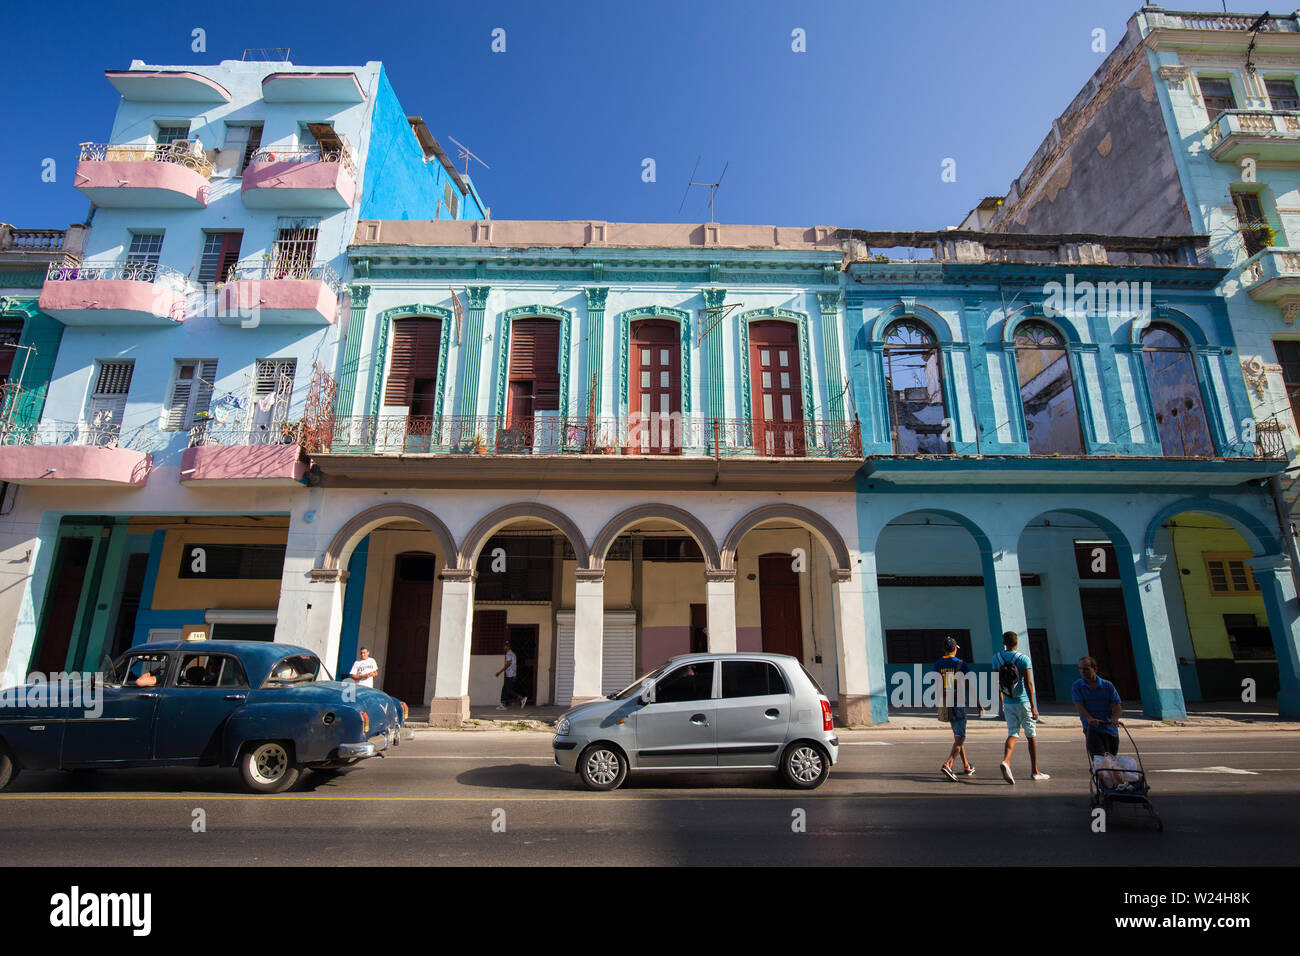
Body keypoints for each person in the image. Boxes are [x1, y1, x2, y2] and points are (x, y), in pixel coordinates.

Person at [994, 630, 1049, 784]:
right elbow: (1029, 684)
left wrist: (1001, 700)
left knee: (1013, 732)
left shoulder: (996, 658)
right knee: (1031, 735)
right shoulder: (1023, 659)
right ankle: (1035, 770)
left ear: (1004, 643)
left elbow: (995, 682)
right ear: (1016, 643)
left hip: (1008, 701)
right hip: (1023, 700)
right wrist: (1033, 706)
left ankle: (1006, 761)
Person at [933, 636, 983, 781]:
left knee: (958, 736)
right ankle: (948, 763)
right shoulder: (961, 664)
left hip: (944, 702)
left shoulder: (937, 664)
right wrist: (978, 704)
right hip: (958, 703)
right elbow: (968, 686)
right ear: (955, 649)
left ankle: (967, 766)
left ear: (944, 649)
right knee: (960, 737)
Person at [1072, 656, 1123, 756]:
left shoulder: (1107, 686)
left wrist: (1115, 718)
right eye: (1080, 669)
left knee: (1112, 759)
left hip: (1109, 727)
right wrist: (1089, 718)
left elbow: (1117, 705)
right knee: (1099, 759)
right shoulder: (1077, 686)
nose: (1083, 671)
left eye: (1086, 669)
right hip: (1092, 727)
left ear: (1095, 669)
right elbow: (1079, 706)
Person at [495, 640, 527, 710]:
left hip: (510, 675)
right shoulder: (513, 654)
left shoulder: (508, 654)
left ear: (508, 646)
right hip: (512, 675)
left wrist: (499, 672)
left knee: (508, 690)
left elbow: (508, 664)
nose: (504, 647)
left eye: (505, 645)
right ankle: (502, 704)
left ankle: (521, 698)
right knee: (504, 689)